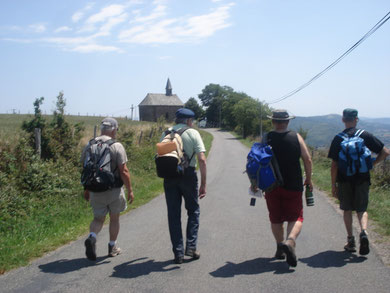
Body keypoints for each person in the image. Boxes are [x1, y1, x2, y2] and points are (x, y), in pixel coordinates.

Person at [328, 108, 389, 255]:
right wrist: (371, 164)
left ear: (343, 119)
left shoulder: (338, 138)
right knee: (362, 209)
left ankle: (351, 241)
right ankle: (364, 232)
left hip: (344, 179)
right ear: (356, 119)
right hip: (362, 178)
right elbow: (385, 152)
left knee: (347, 210)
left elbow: (334, 165)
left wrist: (333, 185)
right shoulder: (365, 135)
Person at [263, 110, 313, 267]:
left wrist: (256, 183)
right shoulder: (296, 137)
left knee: (275, 218)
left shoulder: (266, 138)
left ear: (273, 122)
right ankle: (290, 241)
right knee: (296, 217)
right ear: (287, 122)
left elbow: (257, 161)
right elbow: (308, 159)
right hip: (293, 185)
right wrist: (308, 179)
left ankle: (279, 247)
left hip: (271, 185)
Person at [81, 117, 134, 261]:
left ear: (102, 129)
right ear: (114, 129)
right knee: (114, 218)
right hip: (114, 189)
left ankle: (92, 237)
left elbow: (85, 169)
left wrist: (86, 189)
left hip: (95, 189)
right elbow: (124, 171)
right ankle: (112, 247)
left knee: (98, 219)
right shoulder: (117, 146)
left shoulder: (89, 145)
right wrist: (130, 189)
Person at [161, 108, 207, 264]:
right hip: (188, 175)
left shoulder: (166, 133)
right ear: (188, 121)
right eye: (192, 121)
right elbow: (202, 159)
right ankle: (191, 247)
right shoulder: (193, 133)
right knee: (193, 211)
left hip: (169, 176)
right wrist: (203, 184)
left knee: (173, 215)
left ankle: (178, 253)